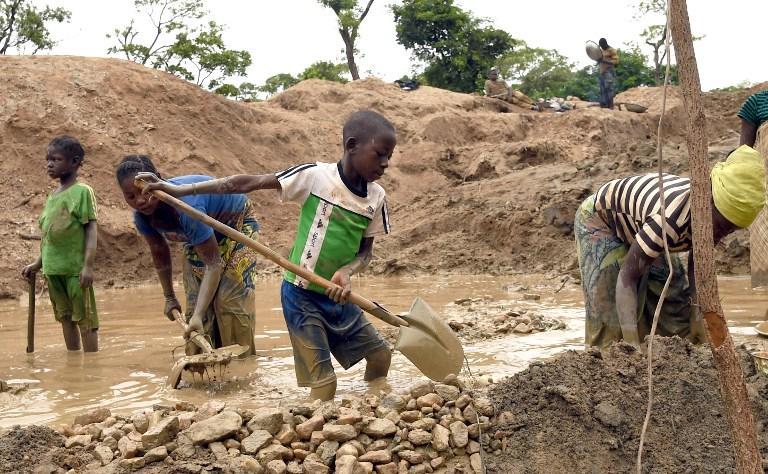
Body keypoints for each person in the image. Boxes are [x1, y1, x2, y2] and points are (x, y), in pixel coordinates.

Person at [140, 110, 394, 401]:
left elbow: (366, 252)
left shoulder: (377, 198)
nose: (385, 164)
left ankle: (374, 404)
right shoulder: (315, 177)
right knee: (325, 385)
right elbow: (245, 183)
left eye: (389, 156)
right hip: (301, 296)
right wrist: (180, 189)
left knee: (380, 357)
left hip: (338, 295)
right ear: (351, 146)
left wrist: (347, 271)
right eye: (379, 155)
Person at [575, 145, 765, 349]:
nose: (722, 234)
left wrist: (699, 322)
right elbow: (627, 277)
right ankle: (611, 362)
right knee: (609, 312)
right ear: (709, 204)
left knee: (674, 302)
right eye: (722, 226)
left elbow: (698, 270)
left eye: (731, 230)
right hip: (603, 220)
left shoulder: (711, 220)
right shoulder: (668, 221)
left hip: (645, 226)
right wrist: (631, 348)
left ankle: (671, 357)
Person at [115, 155, 258, 356]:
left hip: (236, 225)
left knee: (230, 304)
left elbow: (213, 265)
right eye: (130, 196)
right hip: (199, 239)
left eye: (143, 191)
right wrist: (169, 297)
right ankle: (203, 366)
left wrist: (199, 314)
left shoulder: (185, 207)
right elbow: (160, 254)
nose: (140, 200)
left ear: (157, 179)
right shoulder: (142, 218)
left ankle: (242, 367)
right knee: (195, 313)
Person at [22, 136, 99, 352]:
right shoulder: (52, 196)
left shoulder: (83, 192)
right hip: (53, 270)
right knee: (65, 318)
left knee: (85, 320)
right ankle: (73, 360)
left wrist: (88, 266)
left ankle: (91, 368)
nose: (49, 164)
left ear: (74, 162)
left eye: (56, 159)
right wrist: (38, 264)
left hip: (75, 271)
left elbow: (91, 229)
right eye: (48, 159)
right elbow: (48, 236)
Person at [597, 38, 619, 109]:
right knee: (602, 89)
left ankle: (610, 105)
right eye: (600, 46)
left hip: (609, 71)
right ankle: (604, 105)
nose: (601, 47)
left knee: (609, 88)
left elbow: (616, 61)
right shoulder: (602, 51)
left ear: (605, 44)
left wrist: (604, 61)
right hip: (602, 72)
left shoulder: (611, 50)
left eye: (602, 45)